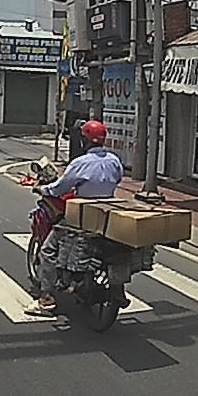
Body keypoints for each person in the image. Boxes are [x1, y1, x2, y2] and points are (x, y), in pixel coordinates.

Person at [26, 119, 124, 318]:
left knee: (47, 250)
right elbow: (118, 179)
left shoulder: (81, 163)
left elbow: (59, 188)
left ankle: (46, 300)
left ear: (84, 140)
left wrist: (42, 189)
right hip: (107, 214)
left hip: (82, 216)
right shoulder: (114, 160)